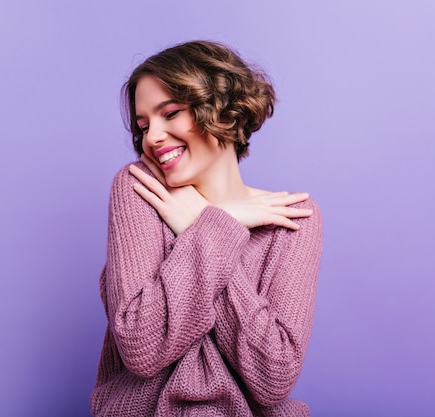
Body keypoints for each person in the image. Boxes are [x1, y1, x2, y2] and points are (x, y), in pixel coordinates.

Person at [90, 40, 323, 417]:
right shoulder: (139, 189)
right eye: (143, 125)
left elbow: (273, 376)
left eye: (171, 113)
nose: (152, 137)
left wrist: (204, 227)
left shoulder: (292, 218)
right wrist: (217, 229)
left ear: (223, 110)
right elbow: (139, 344)